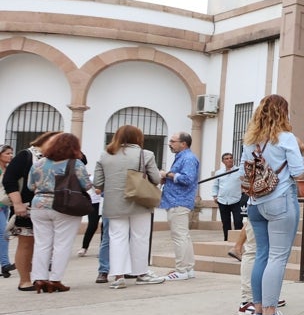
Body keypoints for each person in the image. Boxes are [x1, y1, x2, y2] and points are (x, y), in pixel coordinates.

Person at [243, 94, 304, 315]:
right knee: (278, 257)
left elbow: (244, 170)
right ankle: (270, 314)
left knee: (262, 254)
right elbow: (298, 171)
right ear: (284, 113)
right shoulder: (286, 138)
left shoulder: (250, 140)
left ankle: (258, 310)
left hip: (255, 202)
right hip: (280, 199)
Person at [94, 125, 165, 288]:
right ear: (138, 137)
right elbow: (155, 179)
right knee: (140, 237)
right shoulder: (145, 154)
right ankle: (141, 273)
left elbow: (98, 183)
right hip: (139, 201)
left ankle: (118, 276)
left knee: (117, 238)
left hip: (114, 203)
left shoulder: (105, 155)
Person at [25, 132, 94, 293]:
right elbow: (87, 186)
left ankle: (39, 278)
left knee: (42, 244)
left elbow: (30, 186)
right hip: (65, 205)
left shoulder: (39, 163)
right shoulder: (75, 164)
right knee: (62, 244)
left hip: (39, 205)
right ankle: (55, 279)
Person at [3, 131, 59, 291]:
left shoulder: (58, 157)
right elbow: (9, 180)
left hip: (51, 207)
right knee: (27, 243)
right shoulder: (26, 156)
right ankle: (24, 280)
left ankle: (40, 277)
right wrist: (17, 203)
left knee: (46, 244)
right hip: (27, 206)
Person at [159, 131, 200, 281]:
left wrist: (167, 175)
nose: (170, 144)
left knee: (179, 237)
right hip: (177, 200)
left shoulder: (188, 158)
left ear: (183, 143)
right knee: (183, 236)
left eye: (173, 141)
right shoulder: (183, 157)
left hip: (179, 201)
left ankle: (182, 269)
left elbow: (187, 179)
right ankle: (188, 268)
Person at [212, 152, 246, 242]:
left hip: (237, 200)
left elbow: (245, 183)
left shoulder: (239, 171)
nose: (229, 160)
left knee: (238, 221)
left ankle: (239, 241)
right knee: (225, 222)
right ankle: (227, 240)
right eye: (226, 158)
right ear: (223, 161)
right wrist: (215, 195)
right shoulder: (218, 172)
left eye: (230, 158)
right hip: (223, 201)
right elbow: (215, 185)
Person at [0, 144, 14, 277]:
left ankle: (4, 266)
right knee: (4, 233)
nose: (10, 156)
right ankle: (5, 264)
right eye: (7, 153)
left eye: (11, 153)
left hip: (5, 205)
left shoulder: (8, 169)